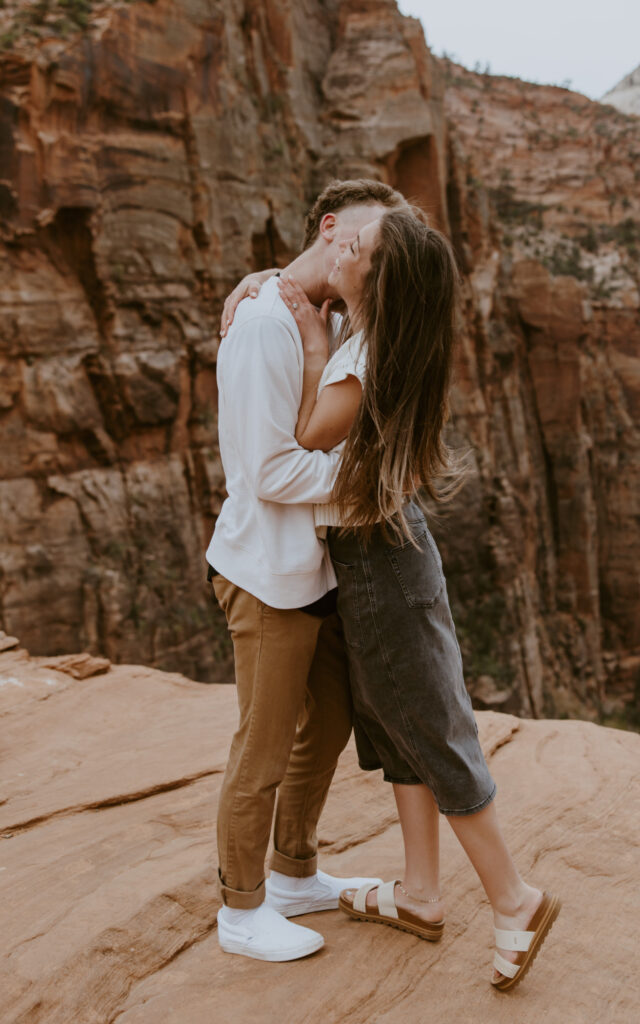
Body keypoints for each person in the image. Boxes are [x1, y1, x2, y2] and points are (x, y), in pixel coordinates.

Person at [272, 207, 561, 991]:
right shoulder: (380, 337)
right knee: (396, 727)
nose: (336, 242)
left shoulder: (363, 355)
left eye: (353, 245)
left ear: (374, 281)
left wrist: (308, 341)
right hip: (383, 554)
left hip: (382, 569)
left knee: (430, 731)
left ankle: (514, 899)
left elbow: (306, 432)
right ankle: (421, 894)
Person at [206, 179, 409, 963]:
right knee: (261, 749)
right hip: (265, 574)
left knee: (324, 724)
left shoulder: (319, 313)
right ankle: (240, 909)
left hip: (313, 570)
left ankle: (293, 873)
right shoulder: (263, 324)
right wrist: (375, 477)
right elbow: (266, 472)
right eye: (376, 255)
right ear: (335, 233)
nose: (380, 274)